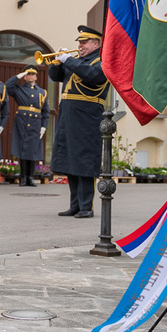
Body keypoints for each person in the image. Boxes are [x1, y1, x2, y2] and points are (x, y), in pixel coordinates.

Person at [46, 26, 110, 218]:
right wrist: (57, 62)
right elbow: (55, 77)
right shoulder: (77, 61)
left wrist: (69, 60)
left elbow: (93, 76)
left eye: (84, 42)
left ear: (96, 44)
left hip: (87, 116)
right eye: (79, 43)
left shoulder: (101, 61)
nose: (80, 46)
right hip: (69, 115)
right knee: (70, 161)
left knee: (84, 160)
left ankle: (86, 206)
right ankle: (74, 205)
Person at [4, 66, 48, 186]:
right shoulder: (19, 89)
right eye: (28, 74)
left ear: (36, 77)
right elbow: (7, 86)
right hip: (22, 122)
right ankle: (23, 177)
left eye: (33, 74)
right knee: (23, 149)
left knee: (33, 150)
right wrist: (18, 76)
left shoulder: (42, 92)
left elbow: (46, 111)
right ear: (24, 76)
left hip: (36, 122)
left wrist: (44, 126)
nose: (30, 76)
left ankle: (30, 177)